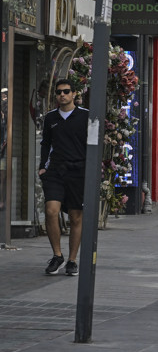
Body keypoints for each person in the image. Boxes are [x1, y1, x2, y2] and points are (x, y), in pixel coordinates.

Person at [39, 79, 88, 276]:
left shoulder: (85, 116)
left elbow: (93, 144)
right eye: (59, 92)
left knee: (76, 217)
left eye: (66, 91)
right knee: (51, 211)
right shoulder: (51, 118)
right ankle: (57, 255)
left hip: (78, 171)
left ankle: (72, 260)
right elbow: (45, 143)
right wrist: (43, 167)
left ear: (74, 94)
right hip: (55, 171)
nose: (62, 95)